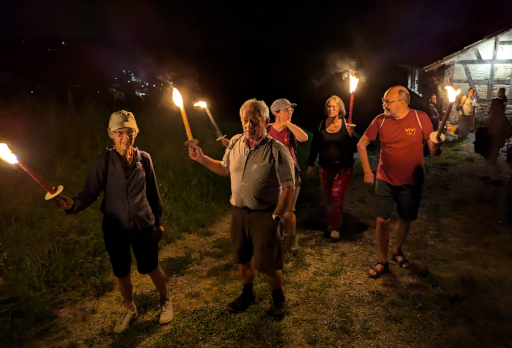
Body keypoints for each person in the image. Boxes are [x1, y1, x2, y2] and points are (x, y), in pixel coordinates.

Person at [54, 110, 173, 333]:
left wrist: (158, 221)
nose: (125, 138)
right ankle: (130, 308)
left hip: (143, 225)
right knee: (121, 273)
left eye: (129, 132)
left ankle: (165, 301)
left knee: (152, 267)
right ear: (111, 134)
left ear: (136, 133)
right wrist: (74, 205)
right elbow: (90, 192)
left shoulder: (144, 159)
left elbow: (154, 194)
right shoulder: (103, 162)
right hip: (114, 228)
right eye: (120, 132)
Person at [188, 99, 295, 319]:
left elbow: (288, 187)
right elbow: (224, 168)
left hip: (264, 214)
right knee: (243, 258)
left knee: (267, 265)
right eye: (245, 120)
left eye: (254, 121)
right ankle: (248, 293)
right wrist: (201, 158)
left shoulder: (277, 150)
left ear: (266, 121)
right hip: (239, 212)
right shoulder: (235, 143)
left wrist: (276, 216)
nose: (248, 125)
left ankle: (278, 298)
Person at [357, 86, 441, 279]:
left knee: (405, 219)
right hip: (384, 178)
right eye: (383, 100)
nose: (383, 104)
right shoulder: (380, 120)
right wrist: (367, 171)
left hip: (411, 181)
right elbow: (361, 144)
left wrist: (437, 147)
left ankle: (397, 251)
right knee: (382, 220)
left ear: (402, 103)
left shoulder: (421, 119)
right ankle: (382, 260)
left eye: (388, 101)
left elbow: (433, 150)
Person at [307, 95, 357, 240]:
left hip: (343, 168)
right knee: (327, 197)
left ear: (340, 108)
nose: (331, 109)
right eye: (329, 106)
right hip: (325, 167)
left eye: (334, 106)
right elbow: (315, 145)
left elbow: (355, 147)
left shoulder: (347, 126)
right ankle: (333, 221)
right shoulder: (321, 125)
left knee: (336, 196)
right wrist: (310, 163)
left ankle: (336, 228)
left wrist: (351, 135)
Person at [268, 98, 308, 255]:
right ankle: (275, 240)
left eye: (291, 110)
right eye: (286, 110)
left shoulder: (292, 130)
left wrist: (288, 123)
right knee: (273, 210)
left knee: (288, 211)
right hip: (271, 176)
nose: (290, 112)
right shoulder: (266, 129)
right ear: (276, 112)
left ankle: (291, 242)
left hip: (291, 176)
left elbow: (304, 138)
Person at [481, 98, 511, 185]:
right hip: (491, 139)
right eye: (492, 103)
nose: (492, 105)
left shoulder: (500, 115)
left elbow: (498, 129)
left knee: (492, 159)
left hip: (496, 140)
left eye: (495, 104)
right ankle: (486, 175)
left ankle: (497, 178)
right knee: (488, 158)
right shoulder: (494, 113)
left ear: (500, 105)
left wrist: (491, 133)